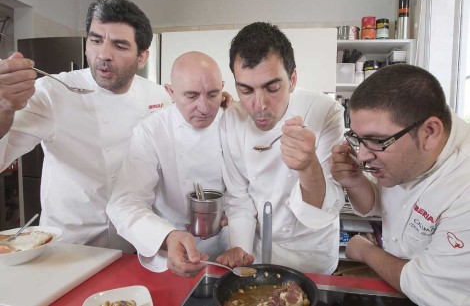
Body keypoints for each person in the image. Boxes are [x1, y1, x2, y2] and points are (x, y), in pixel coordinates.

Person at [0, 0, 171, 252]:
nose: (103, 54)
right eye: (95, 40)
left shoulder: (158, 96)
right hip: (70, 247)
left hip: (135, 245)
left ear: (142, 56)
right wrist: (4, 108)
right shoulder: (51, 91)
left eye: (120, 45)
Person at [329, 64, 470, 305]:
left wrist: (366, 251)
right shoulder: (407, 153)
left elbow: (428, 286)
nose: (362, 155)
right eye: (358, 139)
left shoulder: (462, 185)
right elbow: (374, 205)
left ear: (430, 132)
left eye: (376, 140)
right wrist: (355, 181)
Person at [216, 22, 345, 274]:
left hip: (311, 249)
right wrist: (241, 251)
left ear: (292, 79)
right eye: (246, 90)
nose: (259, 104)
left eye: (272, 88)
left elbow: (326, 203)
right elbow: (239, 196)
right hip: (259, 244)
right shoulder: (232, 119)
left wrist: (308, 166)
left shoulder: (324, 112)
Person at [107, 51, 229, 276]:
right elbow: (124, 202)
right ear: (171, 92)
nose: (204, 107)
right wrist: (167, 237)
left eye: (213, 94)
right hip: (167, 254)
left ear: (222, 88)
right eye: (191, 96)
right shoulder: (152, 130)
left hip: (225, 255)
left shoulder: (233, 123)